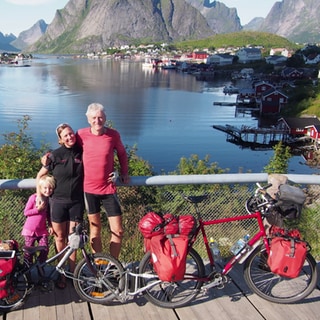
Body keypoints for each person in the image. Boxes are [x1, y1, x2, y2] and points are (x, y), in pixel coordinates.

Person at [76, 102, 129, 259]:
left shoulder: (113, 135)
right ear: (88, 119)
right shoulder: (81, 135)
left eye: (100, 117)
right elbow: (67, 148)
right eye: (93, 118)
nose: (97, 121)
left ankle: (113, 266)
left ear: (105, 118)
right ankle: (98, 267)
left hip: (108, 188)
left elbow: (122, 154)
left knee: (118, 230)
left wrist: (124, 173)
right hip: (89, 189)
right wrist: (49, 158)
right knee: (95, 230)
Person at [37, 123, 84, 289]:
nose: (70, 137)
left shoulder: (82, 150)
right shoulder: (55, 155)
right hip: (57, 203)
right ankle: (62, 273)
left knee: (74, 240)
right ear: (60, 139)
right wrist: (39, 197)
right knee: (59, 238)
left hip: (76, 203)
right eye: (66, 136)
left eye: (71, 134)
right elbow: (40, 175)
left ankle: (73, 274)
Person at [22, 174, 55, 265]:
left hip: (42, 230)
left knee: (45, 249)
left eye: (50, 188)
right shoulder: (33, 198)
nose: (47, 191)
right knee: (28, 252)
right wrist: (38, 210)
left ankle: (40, 265)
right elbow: (26, 212)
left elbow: (48, 215)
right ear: (40, 188)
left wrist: (50, 225)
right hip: (30, 230)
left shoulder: (49, 200)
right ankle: (27, 269)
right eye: (45, 188)